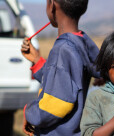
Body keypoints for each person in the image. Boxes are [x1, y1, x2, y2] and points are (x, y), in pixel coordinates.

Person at [21, 0, 100, 135]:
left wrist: (29, 112)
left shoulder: (62, 49)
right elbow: (64, 82)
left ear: (52, 5)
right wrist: (36, 60)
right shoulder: (83, 41)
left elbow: (53, 106)